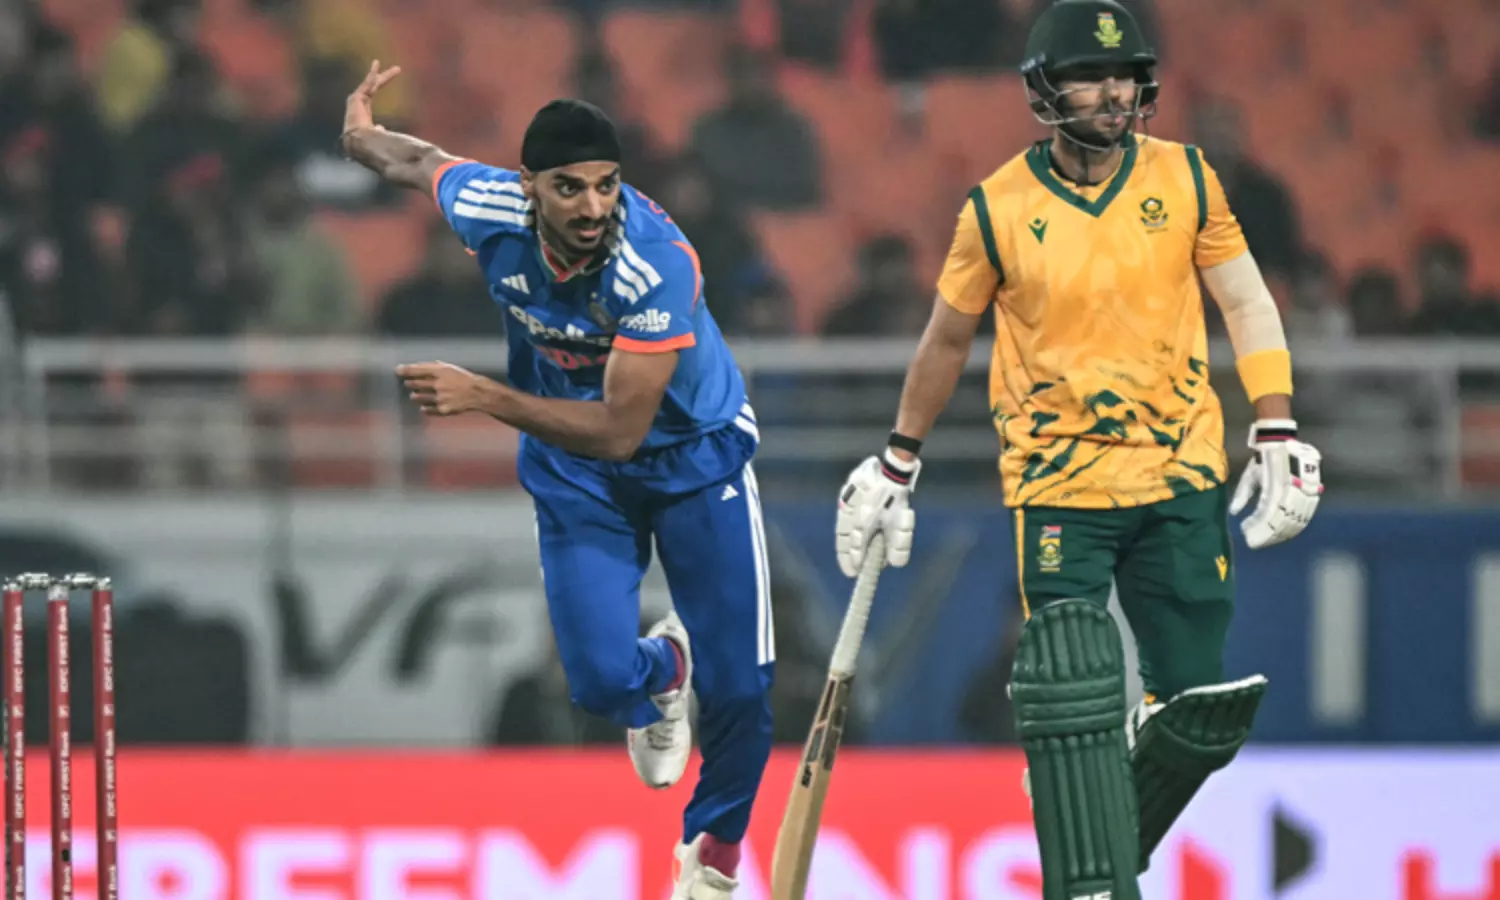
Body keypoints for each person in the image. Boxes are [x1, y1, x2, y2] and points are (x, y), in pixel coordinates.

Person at [832, 3, 1324, 898]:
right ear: (1046, 91)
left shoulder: (1187, 178)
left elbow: (1247, 302)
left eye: (1125, 75)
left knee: (1198, 713)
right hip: (1058, 484)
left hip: (1180, 471)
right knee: (1070, 687)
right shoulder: (996, 209)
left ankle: (1087, 814)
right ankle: (1087, 859)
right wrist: (898, 459)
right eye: (1090, 77)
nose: (1113, 92)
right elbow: (946, 340)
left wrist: (1277, 423)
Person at [341, 62, 772, 900]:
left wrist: (485, 397)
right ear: (528, 186)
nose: (592, 207)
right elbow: (415, 161)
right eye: (569, 187)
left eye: (606, 185)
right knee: (600, 681)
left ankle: (713, 857)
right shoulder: (488, 206)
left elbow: (621, 430)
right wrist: (358, 131)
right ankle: (664, 671)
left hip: (693, 458)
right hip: (578, 471)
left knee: (743, 687)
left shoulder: (654, 265)